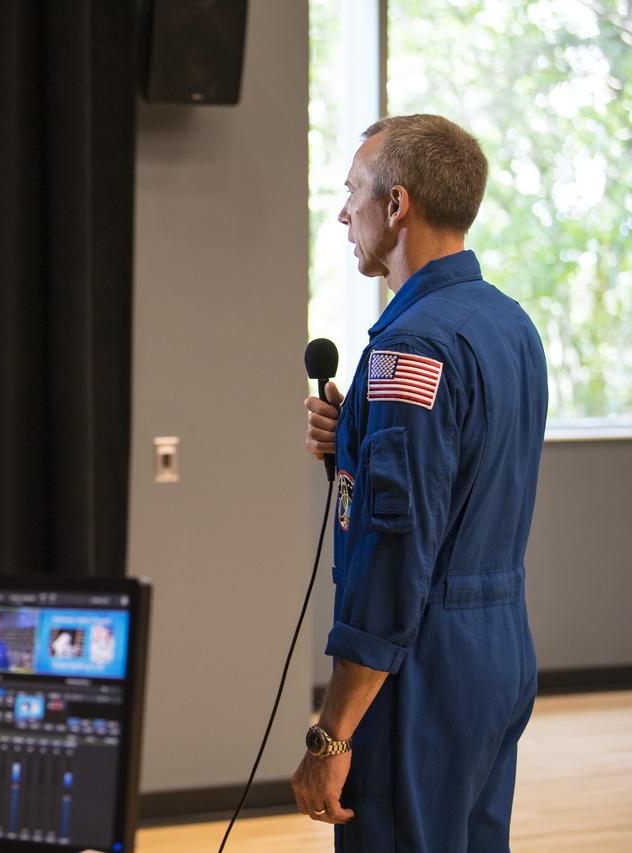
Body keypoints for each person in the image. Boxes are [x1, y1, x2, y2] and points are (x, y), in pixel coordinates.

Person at [293, 114, 546, 852]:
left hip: (421, 667)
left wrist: (331, 734)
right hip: (499, 651)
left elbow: (395, 554)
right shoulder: (509, 323)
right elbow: (468, 478)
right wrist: (354, 451)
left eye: (353, 194)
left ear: (397, 204)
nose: (344, 213)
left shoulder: (411, 344)